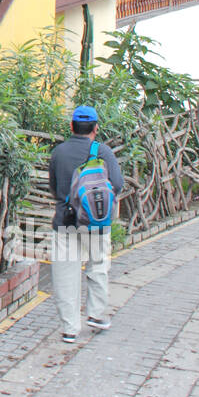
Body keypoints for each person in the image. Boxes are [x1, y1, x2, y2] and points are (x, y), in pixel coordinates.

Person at [48, 105, 124, 344]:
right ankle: (96, 315)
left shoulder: (58, 152)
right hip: (96, 222)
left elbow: (53, 186)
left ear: (71, 126)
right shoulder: (103, 151)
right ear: (96, 128)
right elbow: (118, 184)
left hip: (65, 221)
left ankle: (70, 329)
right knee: (98, 266)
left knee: (65, 274)